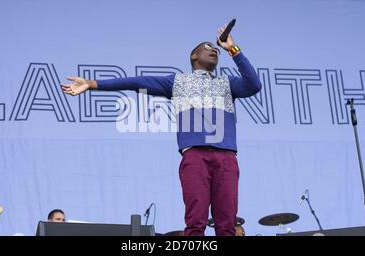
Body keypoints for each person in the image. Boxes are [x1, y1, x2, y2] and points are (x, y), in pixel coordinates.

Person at [62, 25, 261, 236]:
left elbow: (254, 85)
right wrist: (92, 84)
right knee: (195, 223)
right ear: (194, 56)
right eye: (208, 47)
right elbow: (135, 81)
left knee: (227, 225)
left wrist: (233, 49)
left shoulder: (227, 83)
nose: (214, 50)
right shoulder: (177, 82)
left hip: (226, 158)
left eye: (217, 50)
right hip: (195, 157)